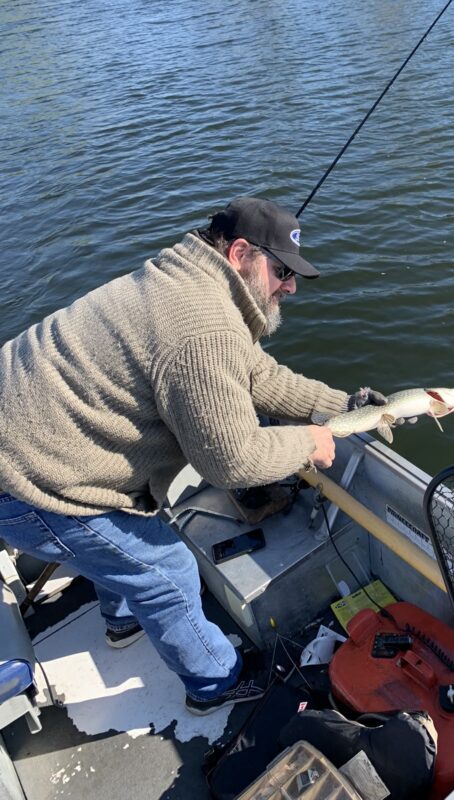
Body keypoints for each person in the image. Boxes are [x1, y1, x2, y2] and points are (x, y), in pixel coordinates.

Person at [0, 196, 388, 715]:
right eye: (281, 271)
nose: (290, 287)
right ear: (241, 253)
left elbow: (262, 378)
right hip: (29, 478)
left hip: (41, 440)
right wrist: (309, 443)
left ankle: (122, 622)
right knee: (166, 568)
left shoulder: (186, 278)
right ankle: (214, 683)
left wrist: (342, 406)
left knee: (120, 550)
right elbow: (231, 460)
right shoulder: (204, 328)